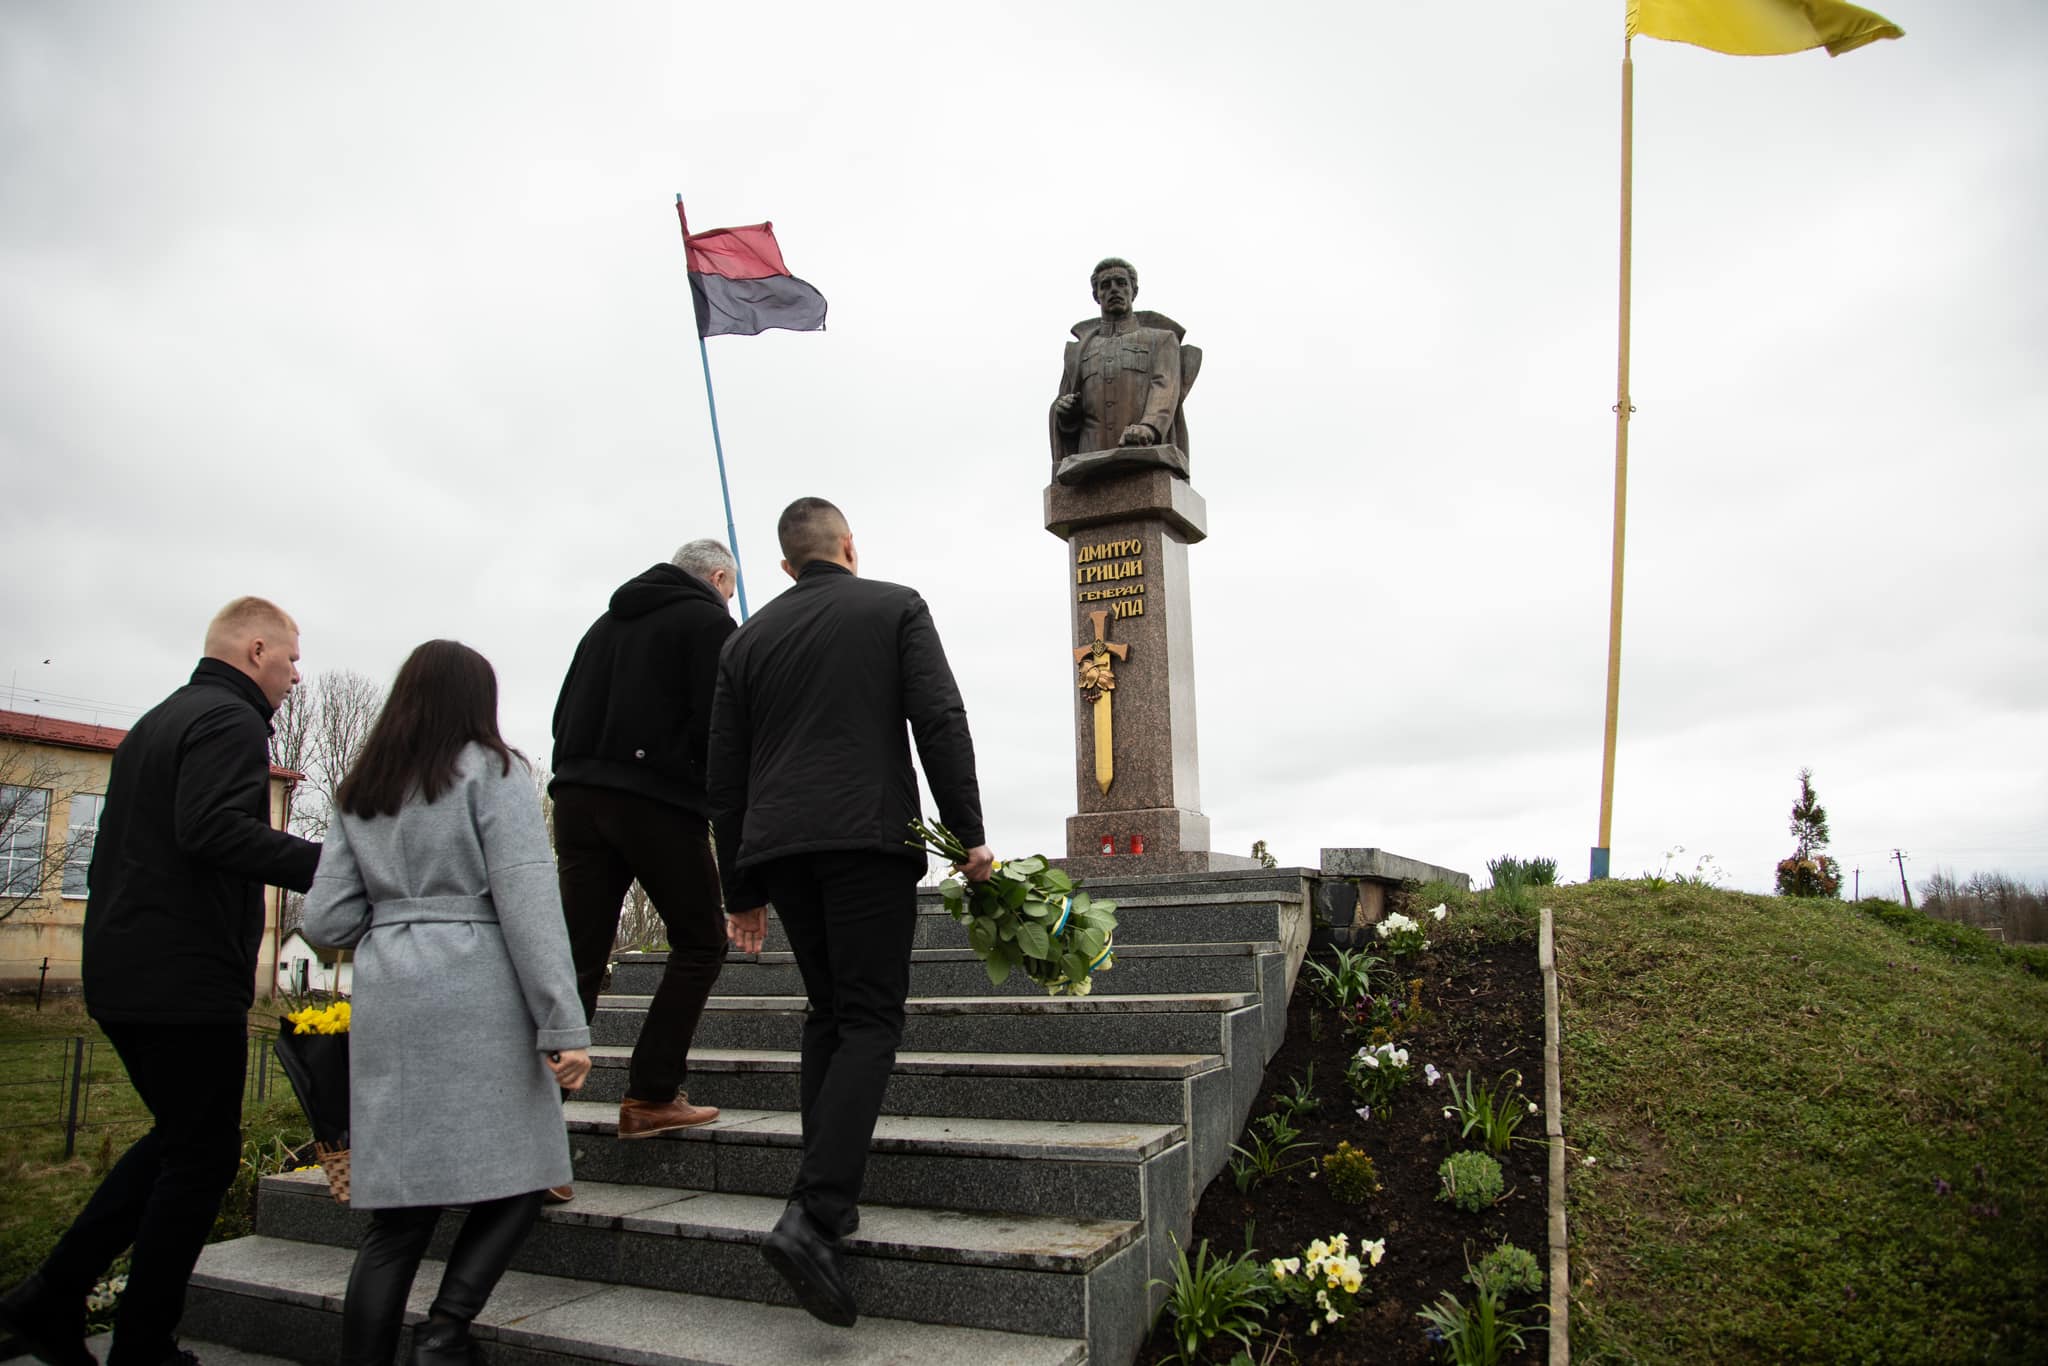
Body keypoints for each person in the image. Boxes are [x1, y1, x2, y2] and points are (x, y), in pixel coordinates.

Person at [0, 597, 322, 1366]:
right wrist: (333, 864)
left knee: (183, 1141)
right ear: (255, 650)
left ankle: (51, 1299)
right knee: (202, 1156)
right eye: (291, 658)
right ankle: (140, 1344)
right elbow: (210, 829)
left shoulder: (160, 720)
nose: (296, 676)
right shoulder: (231, 720)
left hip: (124, 967)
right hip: (183, 976)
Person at [708, 497, 992, 1328]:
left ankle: (826, 1200)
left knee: (829, 1013)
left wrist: (740, 888)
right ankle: (813, 1214)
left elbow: (723, 774)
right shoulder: (895, 606)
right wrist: (968, 833)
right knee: (869, 1017)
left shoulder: (745, 641)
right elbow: (938, 717)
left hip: (779, 847)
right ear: (850, 548)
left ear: (786, 565)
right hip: (866, 838)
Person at [302, 640, 590, 1366]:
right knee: (530, 1169)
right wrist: (562, 1022)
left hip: (391, 999)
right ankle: (443, 1333)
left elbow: (325, 921)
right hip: (478, 996)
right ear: (476, 701)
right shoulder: (495, 771)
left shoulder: (361, 787)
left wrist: (398, 917)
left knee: (397, 1218)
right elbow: (528, 903)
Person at [549, 540, 738, 1146]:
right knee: (701, 940)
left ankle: (533, 1121)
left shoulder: (603, 625)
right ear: (717, 577)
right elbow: (719, 727)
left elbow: (561, 713)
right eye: (730, 590)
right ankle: (652, 1094)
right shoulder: (708, 621)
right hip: (655, 800)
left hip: (576, 796)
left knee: (578, 956)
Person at [1048, 257, 1201, 472]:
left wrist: (1149, 428)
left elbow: (1165, 389)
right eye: (1105, 285)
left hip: (1142, 451)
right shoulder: (1079, 350)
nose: (1114, 289)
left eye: (1121, 283)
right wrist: (1067, 414)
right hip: (1089, 459)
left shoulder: (1161, 340)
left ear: (1133, 291)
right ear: (1096, 295)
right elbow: (1066, 406)